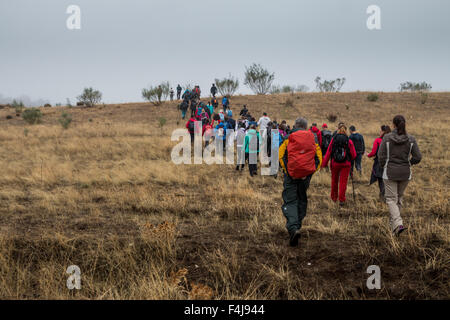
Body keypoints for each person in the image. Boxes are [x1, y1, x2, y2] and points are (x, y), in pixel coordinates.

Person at [279, 117, 322, 247]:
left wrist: (288, 172)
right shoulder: (312, 138)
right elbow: (319, 158)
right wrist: (308, 174)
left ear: (295, 125)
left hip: (290, 176)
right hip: (305, 177)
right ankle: (297, 225)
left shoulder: (288, 137)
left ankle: (293, 228)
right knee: (302, 199)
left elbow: (281, 156)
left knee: (290, 200)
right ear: (305, 126)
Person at [378, 115, 422, 236]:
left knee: (391, 199)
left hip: (390, 172)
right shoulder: (411, 139)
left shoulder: (386, 138)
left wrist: (384, 166)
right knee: (399, 198)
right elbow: (418, 157)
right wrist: (409, 163)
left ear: (393, 125)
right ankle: (394, 230)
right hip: (405, 173)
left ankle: (398, 223)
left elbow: (380, 155)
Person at [322, 124, 357, 206]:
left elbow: (328, 152)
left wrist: (324, 164)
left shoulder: (333, 140)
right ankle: (341, 199)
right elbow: (354, 155)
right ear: (346, 130)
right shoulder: (349, 141)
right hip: (346, 164)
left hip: (335, 163)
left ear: (338, 130)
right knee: (343, 182)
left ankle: (334, 198)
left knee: (334, 181)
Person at [367, 125, 391, 200]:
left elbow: (374, 152)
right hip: (391, 162)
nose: (379, 132)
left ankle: (382, 196)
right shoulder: (392, 140)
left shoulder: (378, 140)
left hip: (380, 162)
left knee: (381, 179)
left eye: (380, 131)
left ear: (383, 132)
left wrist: (368, 155)